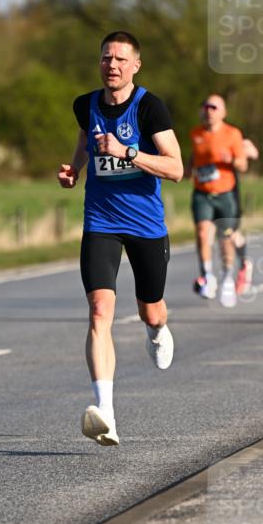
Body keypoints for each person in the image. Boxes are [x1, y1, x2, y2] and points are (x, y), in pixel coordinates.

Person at [57, 31, 183, 447]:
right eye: (106, 58)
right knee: (99, 311)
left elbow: (176, 168)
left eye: (120, 59)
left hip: (146, 224)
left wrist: (127, 152)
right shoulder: (85, 104)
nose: (112, 64)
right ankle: (105, 413)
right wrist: (75, 171)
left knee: (151, 311)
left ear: (135, 66)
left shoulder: (150, 108)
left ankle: (157, 330)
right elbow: (83, 141)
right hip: (101, 221)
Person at [187, 95, 247, 308]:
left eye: (214, 107)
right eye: (206, 106)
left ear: (223, 112)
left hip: (225, 194)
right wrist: (184, 170)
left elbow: (243, 165)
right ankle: (207, 276)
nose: (209, 110)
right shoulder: (196, 134)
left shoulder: (232, 134)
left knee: (225, 239)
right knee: (203, 233)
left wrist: (230, 159)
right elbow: (194, 159)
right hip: (202, 193)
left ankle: (228, 278)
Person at [232, 136, 259, 295]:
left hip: (229, 195)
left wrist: (235, 153)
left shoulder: (232, 136)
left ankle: (244, 264)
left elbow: (254, 153)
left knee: (231, 234)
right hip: (207, 194)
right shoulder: (201, 136)